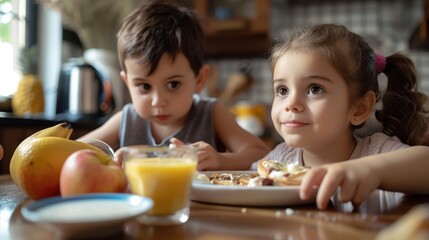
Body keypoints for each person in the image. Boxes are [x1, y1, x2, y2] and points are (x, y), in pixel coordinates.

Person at [252, 23, 429, 210]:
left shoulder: (376, 152)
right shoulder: (280, 158)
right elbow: (243, 180)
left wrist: (370, 170)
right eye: (282, 90)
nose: (291, 104)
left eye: (315, 89)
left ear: (359, 109)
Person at [78, 1, 269, 171]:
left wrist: (220, 160)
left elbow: (261, 154)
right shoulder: (126, 120)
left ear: (199, 79)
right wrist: (109, 159)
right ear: (127, 83)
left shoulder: (212, 114)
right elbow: (74, 151)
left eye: (173, 84)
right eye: (144, 87)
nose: (158, 101)